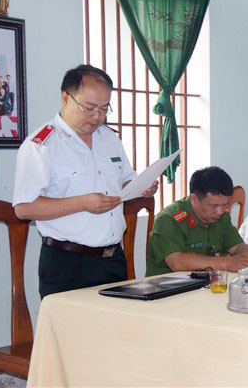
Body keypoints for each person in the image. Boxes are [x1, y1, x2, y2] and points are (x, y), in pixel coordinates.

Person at [13, 64, 158, 298]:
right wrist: (81, 203)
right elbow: (24, 208)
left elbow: (123, 184)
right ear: (65, 98)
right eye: (88, 108)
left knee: (113, 332)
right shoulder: (41, 145)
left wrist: (142, 187)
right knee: (71, 334)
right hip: (68, 264)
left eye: (103, 109)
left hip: (112, 260)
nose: (97, 117)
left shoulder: (110, 139)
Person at [146, 166, 248, 276]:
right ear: (194, 199)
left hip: (206, 284)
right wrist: (226, 263)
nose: (220, 211)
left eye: (224, 205)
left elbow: (237, 247)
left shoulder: (221, 217)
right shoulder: (168, 219)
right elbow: (177, 262)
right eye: (214, 206)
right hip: (168, 288)